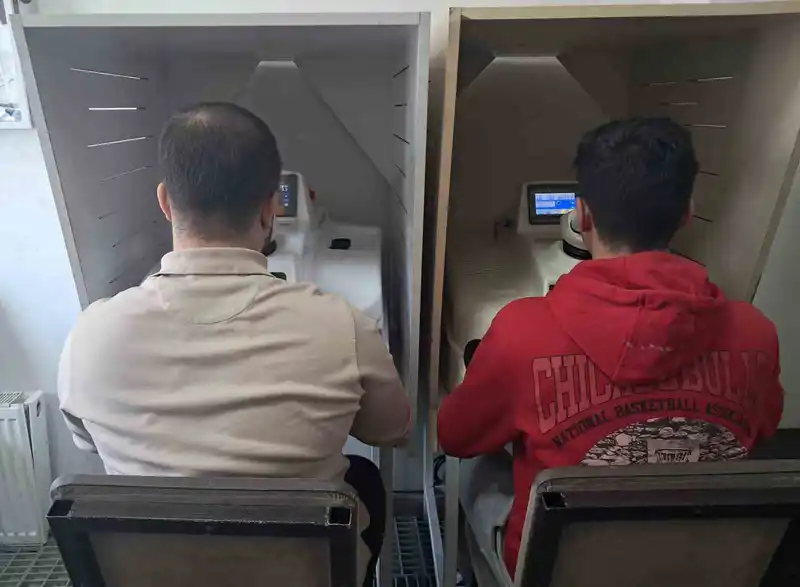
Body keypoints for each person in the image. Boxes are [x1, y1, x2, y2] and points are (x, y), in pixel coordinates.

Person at [58, 102, 410, 587]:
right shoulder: (341, 325)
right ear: (270, 207)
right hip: (297, 574)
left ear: (165, 201)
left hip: (149, 573)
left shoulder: (90, 333)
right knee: (363, 478)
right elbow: (392, 429)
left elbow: (87, 441)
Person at [437, 117, 784, 580]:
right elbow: (760, 431)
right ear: (687, 212)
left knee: (475, 470)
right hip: (703, 565)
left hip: (558, 571)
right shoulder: (755, 334)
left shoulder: (523, 332)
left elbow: (455, 437)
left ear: (581, 216)